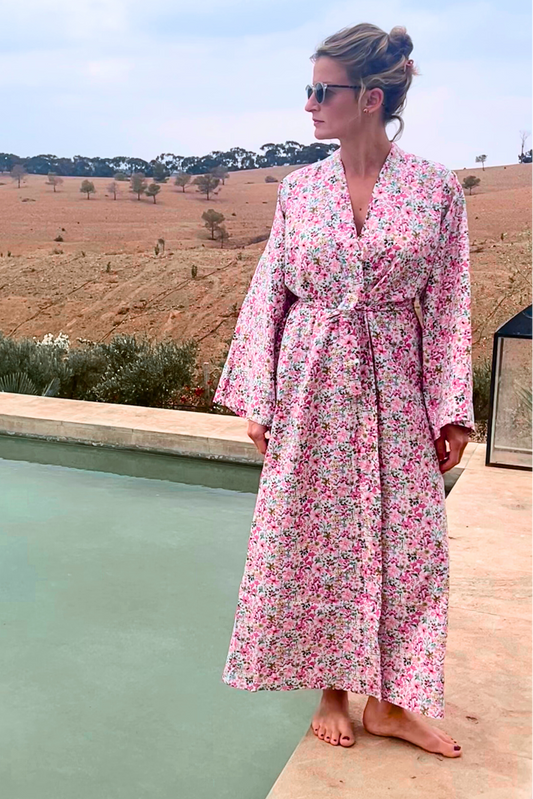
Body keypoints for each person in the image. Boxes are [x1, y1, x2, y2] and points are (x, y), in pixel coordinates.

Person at [213, 22, 475, 758]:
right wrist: (258, 399)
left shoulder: (435, 191)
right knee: (314, 539)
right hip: (310, 382)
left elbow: (450, 301)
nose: (307, 105)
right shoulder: (300, 189)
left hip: (395, 381)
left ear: (368, 97)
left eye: (318, 91)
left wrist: (450, 407)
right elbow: (270, 293)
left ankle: (391, 702)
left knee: (410, 542)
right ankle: (331, 689)